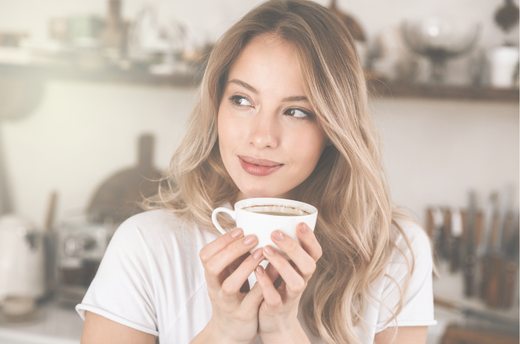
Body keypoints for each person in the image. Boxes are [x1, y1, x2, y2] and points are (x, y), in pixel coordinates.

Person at [77, 0, 436, 343]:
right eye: (243, 100)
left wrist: (284, 332)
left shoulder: (393, 253)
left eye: (296, 111)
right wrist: (225, 333)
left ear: (333, 129)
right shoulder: (145, 246)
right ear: (216, 105)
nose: (262, 137)